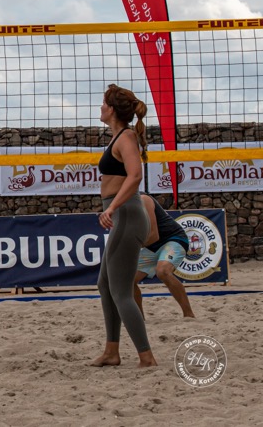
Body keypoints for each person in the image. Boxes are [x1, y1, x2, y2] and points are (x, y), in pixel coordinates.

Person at [91, 84, 157, 368]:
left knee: (121, 291)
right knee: (105, 285)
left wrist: (113, 207)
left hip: (127, 215)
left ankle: (147, 358)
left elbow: (135, 176)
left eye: (104, 103)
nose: (101, 107)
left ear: (113, 109)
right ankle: (112, 352)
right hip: (122, 214)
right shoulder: (118, 137)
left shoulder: (126, 137)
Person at [133, 194, 195, 318]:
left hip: (173, 238)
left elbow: (154, 235)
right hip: (152, 245)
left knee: (163, 271)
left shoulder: (143, 199)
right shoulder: (119, 207)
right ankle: (139, 319)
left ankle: (189, 315)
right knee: (127, 281)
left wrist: (132, 246)